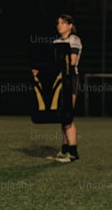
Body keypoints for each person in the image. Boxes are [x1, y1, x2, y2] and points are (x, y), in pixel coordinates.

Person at [33, 14, 82, 163]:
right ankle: (64, 150)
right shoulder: (56, 42)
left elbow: (71, 61)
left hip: (70, 79)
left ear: (70, 25)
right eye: (58, 23)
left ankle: (73, 152)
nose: (59, 25)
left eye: (63, 23)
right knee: (62, 116)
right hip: (59, 79)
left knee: (68, 116)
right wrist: (39, 71)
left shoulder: (74, 40)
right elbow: (52, 64)